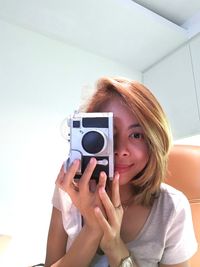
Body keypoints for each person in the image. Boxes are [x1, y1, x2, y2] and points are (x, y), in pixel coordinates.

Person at [45, 77, 197, 267]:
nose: (121, 149)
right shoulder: (68, 192)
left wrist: (115, 245)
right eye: (109, 132)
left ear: (153, 142)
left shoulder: (172, 208)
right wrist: (92, 230)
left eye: (136, 135)